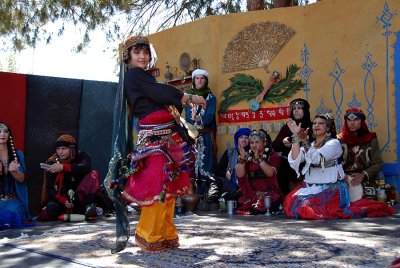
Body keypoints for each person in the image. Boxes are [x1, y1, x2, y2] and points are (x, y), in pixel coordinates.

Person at [105, 35, 206, 253]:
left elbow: (159, 95)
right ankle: (148, 235)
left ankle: (165, 234)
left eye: (145, 52)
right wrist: (187, 97)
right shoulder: (134, 75)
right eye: (137, 52)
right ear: (128, 57)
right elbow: (160, 93)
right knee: (158, 188)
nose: (143, 56)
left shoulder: (144, 77)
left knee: (168, 189)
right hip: (154, 143)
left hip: (167, 140)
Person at [283, 113, 395, 220]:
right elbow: (295, 159)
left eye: (321, 123)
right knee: (293, 202)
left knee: (307, 208)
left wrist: (305, 141)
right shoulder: (311, 145)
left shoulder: (333, 143)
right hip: (311, 185)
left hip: (330, 187)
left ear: (328, 127)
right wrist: (295, 137)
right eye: (315, 123)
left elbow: (317, 160)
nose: (316, 125)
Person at [337, 108, 395, 216]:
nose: (352, 123)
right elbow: (333, 163)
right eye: (349, 120)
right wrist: (341, 175)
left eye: (356, 119)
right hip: (342, 178)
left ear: (362, 121)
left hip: (364, 178)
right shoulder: (339, 140)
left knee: (367, 203)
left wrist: (363, 175)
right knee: (337, 202)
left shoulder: (371, 139)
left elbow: (378, 162)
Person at [39, 134, 99, 221]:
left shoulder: (81, 156)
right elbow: (50, 188)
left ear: (72, 148)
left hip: (79, 198)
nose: (60, 152)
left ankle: (88, 207)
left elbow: (86, 167)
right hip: (62, 200)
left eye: (64, 148)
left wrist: (63, 167)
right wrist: (64, 201)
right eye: (58, 149)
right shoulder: (52, 162)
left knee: (93, 175)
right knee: (51, 208)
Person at [197, 128, 251, 211]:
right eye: (241, 137)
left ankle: (217, 203)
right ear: (237, 139)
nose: (244, 140)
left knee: (235, 197)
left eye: (246, 137)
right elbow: (218, 170)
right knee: (215, 179)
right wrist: (226, 172)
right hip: (229, 184)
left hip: (245, 186)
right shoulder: (230, 152)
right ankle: (210, 201)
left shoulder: (252, 153)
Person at [184, 69, 217, 197]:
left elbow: (210, 116)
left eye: (202, 78)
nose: (199, 81)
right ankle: (192, 195)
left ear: (206, 80)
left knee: (206, 164)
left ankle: (205, 196)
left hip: (205, 136)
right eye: (197, 78)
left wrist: (200, 119)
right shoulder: (188, 97)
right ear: (193, 80)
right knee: (191, 164)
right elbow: (187, 117)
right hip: (191, 137)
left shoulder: (211, 97)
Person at [272, 98, 313, 196]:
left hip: (310, 163)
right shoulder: (287, 127)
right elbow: (276, 146)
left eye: (299, 108)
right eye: (294, 109)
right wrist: (283, 142)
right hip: (289, 166)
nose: (296, 111)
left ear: (305, 110)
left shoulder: (312, 126)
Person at [235, 129, 282, 215]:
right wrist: (242, 161)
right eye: (252, 143)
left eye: (257, 142)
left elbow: (270, 173)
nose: (254, 145)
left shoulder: (272, 156)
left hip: (269, 194)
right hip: (252, 194)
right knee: (233, 198)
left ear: (264, 143)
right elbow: (240, 175)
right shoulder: (248, 157)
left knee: (261, 205)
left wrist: (259, 159)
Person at [0, 122, 32, 229]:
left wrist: (13, 172)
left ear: (9, 135)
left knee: (10, 216)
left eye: (5, 131)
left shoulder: (17, 155)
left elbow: (22, 179)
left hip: (13, 202)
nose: (2, 134)